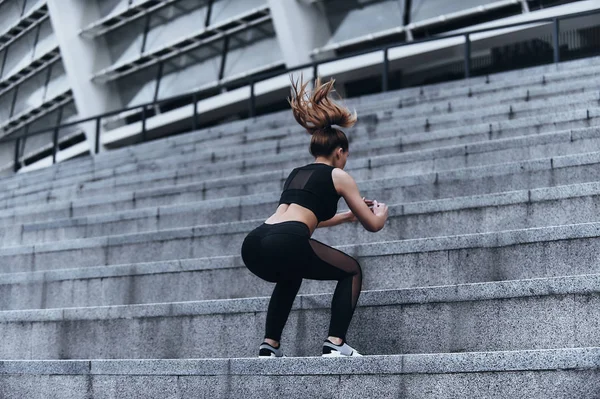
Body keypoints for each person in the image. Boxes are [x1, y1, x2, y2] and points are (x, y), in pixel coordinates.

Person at [241, 76, 389, 358]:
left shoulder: (297, 173)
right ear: (339, 152)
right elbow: (372, 225)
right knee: (352, 270)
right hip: (286, 240)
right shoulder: (339, 175)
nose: (345, 160)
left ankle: (268, 346)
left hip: (255, 242)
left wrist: (344, 218)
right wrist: (381, 214)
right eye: (345, 155)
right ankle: (335, 342)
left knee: (290, 275)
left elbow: (298, 219)